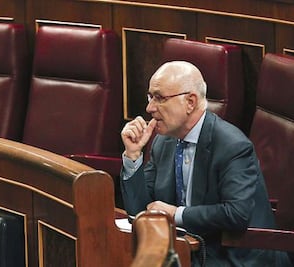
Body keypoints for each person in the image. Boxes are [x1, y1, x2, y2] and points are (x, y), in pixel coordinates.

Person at [120, 61, 291, 266]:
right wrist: (133, 156)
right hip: (187, 249)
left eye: (159, 98)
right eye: (150, 97)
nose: (150, 108)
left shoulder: (232, 146)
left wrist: (177, 214)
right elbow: (140, 212)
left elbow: (236, 214)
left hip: (234, 256)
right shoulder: (163, 141)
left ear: (190, 102)